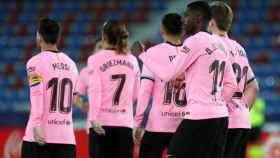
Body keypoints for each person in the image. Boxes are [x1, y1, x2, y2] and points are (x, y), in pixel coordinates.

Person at [139, 1, 237, 158]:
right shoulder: (219, 44)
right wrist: (215, 103)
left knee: (174, 154)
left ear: (198, 18)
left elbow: (168, 75)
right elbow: (232, 84)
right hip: (220, 117)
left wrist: (143, 55)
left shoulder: (194, 41)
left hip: (199, 116)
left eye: (187, 15)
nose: (183, 20)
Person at [208, 2, 260, 158]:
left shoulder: (209, 44)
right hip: (242, 120)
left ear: (210, 21)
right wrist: (241, 108)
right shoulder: (239, 48)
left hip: (218, 120)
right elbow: (253, 86)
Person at [21, 18, 78, 158]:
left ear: (39, 35)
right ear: (58, 37)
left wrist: (36, 125)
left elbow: (37, 95)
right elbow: (74, 98)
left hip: (40, 137)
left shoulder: (34, 63)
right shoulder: (72, 65)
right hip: (66, 139)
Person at [134, 13, 186, 158]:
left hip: (158, 124)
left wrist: (137, 122)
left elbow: (145, 90)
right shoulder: (190, 53)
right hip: (184, 125)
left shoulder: (153, 53)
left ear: (162, 29)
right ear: (183, 30)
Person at [87, 20, 140, 158]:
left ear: (104, 37)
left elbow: (94, 91)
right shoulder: (133, 60)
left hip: (100, 123)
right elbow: (135, 95)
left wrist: (93, 118)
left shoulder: (94, 59)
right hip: (125, 124)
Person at [74, 39, 103, 158]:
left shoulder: (117, 68)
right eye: (99, 47)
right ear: (94, 51)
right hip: (94, 125)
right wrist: (85, 107)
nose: (102, 50)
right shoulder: (86, 72)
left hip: (115, 123)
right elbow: (76, 96)